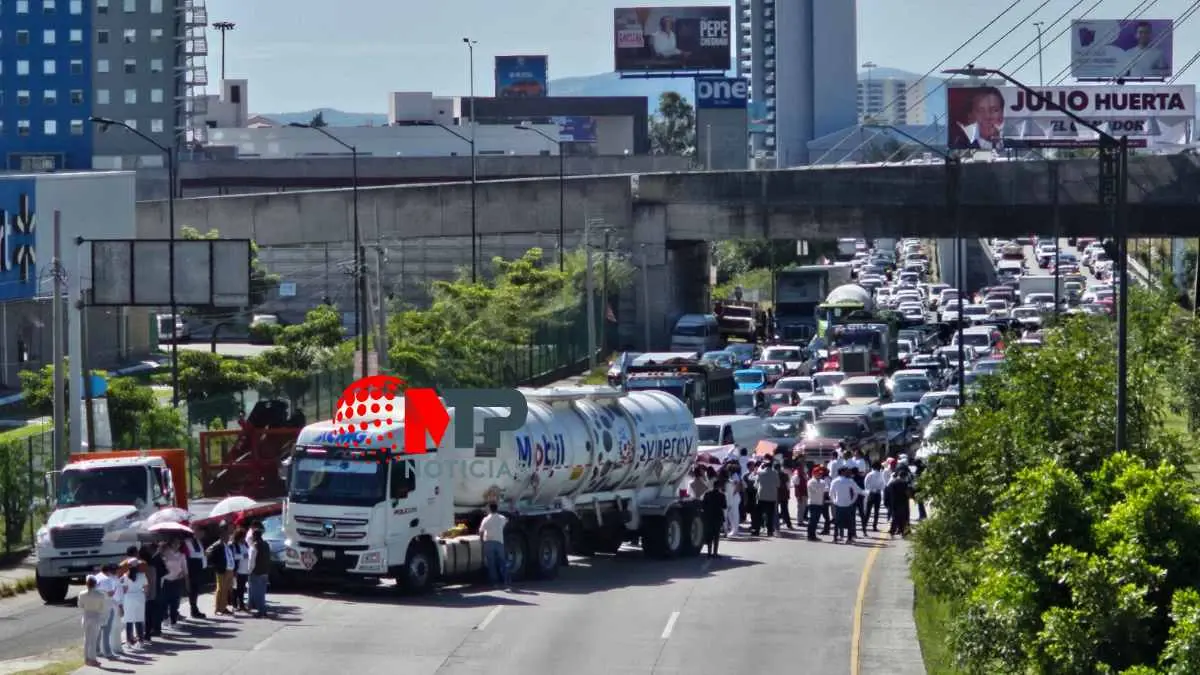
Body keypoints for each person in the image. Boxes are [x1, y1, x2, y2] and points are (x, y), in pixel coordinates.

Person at [948, 86, 1005, 150]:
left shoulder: (1014, 146)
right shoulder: (960, 147)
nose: (988, 116)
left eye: (994, 110)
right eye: (980, 111)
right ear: (970, 117)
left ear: (1002, 114)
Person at [828, 466, 865, 544]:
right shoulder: (850, 481)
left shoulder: (835, 481)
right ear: (842, 472)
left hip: (838, 504)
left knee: (837, 522)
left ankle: (835, 538)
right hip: (848, 504)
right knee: (849, 522)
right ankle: (849, 539)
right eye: (846, 471)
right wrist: (853, 500)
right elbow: (858, 491)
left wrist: (834, 501)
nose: (848, 472)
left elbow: (831, 493)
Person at [120, 557, 148, 649]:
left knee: (129, 620)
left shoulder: (124, 576)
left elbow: (124, 589)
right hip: (139, 596)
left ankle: (128, 641)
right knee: (139, 619)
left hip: (128, 598)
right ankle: (141, 641)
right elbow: (146, 588)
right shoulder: (142, 575)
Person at [79, 575, 107, 668]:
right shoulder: (101, 595)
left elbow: (80, 605)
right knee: (93, 639)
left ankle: (86, 659)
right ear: (96, 584)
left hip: (86, 615)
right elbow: (102, 608)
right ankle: (93, 659)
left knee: (86, 639)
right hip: (95, 616)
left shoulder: (82, 594)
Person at [479, 502, 509, 587]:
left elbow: (481, 531)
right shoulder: (501, 518)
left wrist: (482, 541)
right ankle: (505, 580)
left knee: (491, 563)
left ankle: (494, 582)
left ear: (489, 509)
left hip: (488, 542)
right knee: (502, 561)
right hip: (499, 541)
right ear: (497, 508)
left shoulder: (486, 519)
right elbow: (506, 521)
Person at [205, 528, 235, 615]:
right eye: (226, 536)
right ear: (221, 536)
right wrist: (216, 564)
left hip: (229, 569)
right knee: (220, 589)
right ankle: (217, 608)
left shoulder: (227, 545)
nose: (228, 537)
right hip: (221, 570)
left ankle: (223, 607)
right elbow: (208, 552)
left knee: (226, 589)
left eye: (228, 536)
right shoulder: (217, 545)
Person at [180, 528, 207, 619]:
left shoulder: (198, 541)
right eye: (201, 531)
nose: (202, 534)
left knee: (196, 590)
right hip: (191, 568)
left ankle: (195, 608)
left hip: (198, 568)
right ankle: (193, 609)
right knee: (191, 590)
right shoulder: (187, 542)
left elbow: (202, 554)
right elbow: (191, 555)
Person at [160, 540, 186, 626]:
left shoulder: (181, 555)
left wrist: (182, 574)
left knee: (175, 602)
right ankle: (165, 618)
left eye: (178, 543)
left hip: (177, 580)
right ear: (170, 544)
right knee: (164, 601)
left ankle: (173, 622)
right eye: (174, 543)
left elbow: (184, 568)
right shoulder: (165, 554)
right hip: (166, 580)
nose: (176, 545)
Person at [700, 478, 728, 557]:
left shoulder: (707, 494)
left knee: (709, 535)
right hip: (718, 516)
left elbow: (703, 505)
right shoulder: (722, 495)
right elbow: (724, 506)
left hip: (708, 516)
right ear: (719, 486)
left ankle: (709, 552)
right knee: (716, 535)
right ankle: (715, 553)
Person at [247, 528, 271, 618]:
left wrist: (249, 571)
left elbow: (251, 561)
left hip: (256, 572)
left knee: (257, 593)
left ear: (254, 536)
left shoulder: (254, 546)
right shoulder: (266, 544)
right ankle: (262, 610)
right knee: (262, 593)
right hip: (265, 571)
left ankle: (261, 611)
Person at [753, 461, 779, 537]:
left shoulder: (760, 473)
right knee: (770, 515)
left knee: (758, 514)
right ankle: (770, 531)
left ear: (764, 466)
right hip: (772, 497)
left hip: (761, 496)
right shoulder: (775, 473)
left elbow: (755, 485)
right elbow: (778, 484)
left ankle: (757, 530)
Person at [885, 468, 913, 537]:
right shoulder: (905, 483)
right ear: (904, 476)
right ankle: (904, 532)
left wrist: (887, 502)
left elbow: (887, 492)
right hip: (903, 503)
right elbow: (908, 493)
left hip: (894, 503)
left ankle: (892, 531)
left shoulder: (892, 483)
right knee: (904, 518)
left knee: (895, 518)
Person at [863, 461, 887, 532]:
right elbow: (883, 484)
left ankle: (865, 525)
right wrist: (879, 489)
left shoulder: (869, 474)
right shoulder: (881, 475)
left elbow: (866, 484)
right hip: (878, 494)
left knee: (868, 511)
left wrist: (873, 489)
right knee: (876, 511)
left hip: (871, 494)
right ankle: (874, 526)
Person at [230, 527, 250, 612]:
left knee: (242, 588)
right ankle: (234, 604)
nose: (244, 539)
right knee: (235, 588)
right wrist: (242, 556)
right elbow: (232, 556)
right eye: (242, 537)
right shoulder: (233, 545)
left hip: (245, 570)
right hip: (237, 570)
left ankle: (241, 604)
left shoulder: (245, 544)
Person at [805, 466, 826, 541]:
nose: (820, 475)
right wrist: (822, 487)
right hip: (813, 503)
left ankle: (813, 535)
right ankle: (810, 535)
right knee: (812, 520)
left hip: (819, 503)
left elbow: (824, 491)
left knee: (816, 520)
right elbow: (818, 490)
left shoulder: (821, 481)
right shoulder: (811, 482)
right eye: (818, 473)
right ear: (814, 473)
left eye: (821, 474)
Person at [776, 464, 793, 530]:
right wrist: (788, 494)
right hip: (784, 494)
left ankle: (776, 525)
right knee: (785, 510)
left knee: (775, 511)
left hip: (776, 494)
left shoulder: (774, 475)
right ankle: (789, 524)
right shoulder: (785, 475)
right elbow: (788, 486)